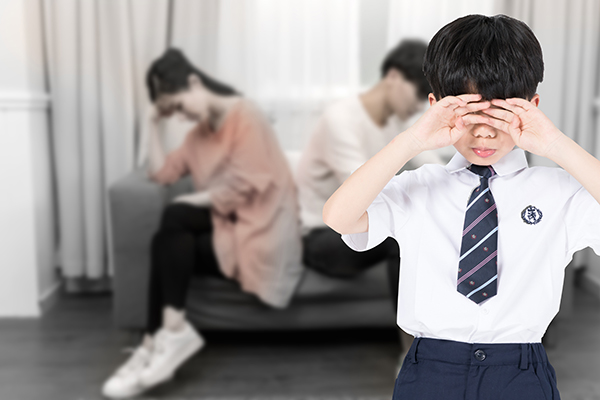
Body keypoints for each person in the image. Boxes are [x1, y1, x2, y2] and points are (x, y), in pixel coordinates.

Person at [324, 14, 600, 399]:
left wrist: (555, 143)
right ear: (436, 106)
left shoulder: (560, 193)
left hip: (520, 372)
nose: (484, 131)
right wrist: (414, 139)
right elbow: (339, 217)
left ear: (532, 107)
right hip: (430, 369)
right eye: (469, 114)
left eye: (499, 114)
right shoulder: (418, 187)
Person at [102, 48, 303, 399]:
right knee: (170, 235)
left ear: (194, 82)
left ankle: (154, 342)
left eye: (179, 107)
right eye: (173, 113)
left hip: (262, 229)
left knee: (174, 220)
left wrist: (188, 202)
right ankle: (163, 337)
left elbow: (244, 186)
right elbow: (161, 173)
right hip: (228, 225)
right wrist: (152, 122)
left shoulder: (247, 116)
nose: (180, 117)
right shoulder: (198, 136)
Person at [296, 39, 448, 362]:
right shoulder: (340, 119)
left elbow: (434, 166)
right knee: (400, 237)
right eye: (418, 93)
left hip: (361, 224)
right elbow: (362, 192)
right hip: (321, 236)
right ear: (393, 76)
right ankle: (415, 356)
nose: (420, 105)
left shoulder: (394, 121)